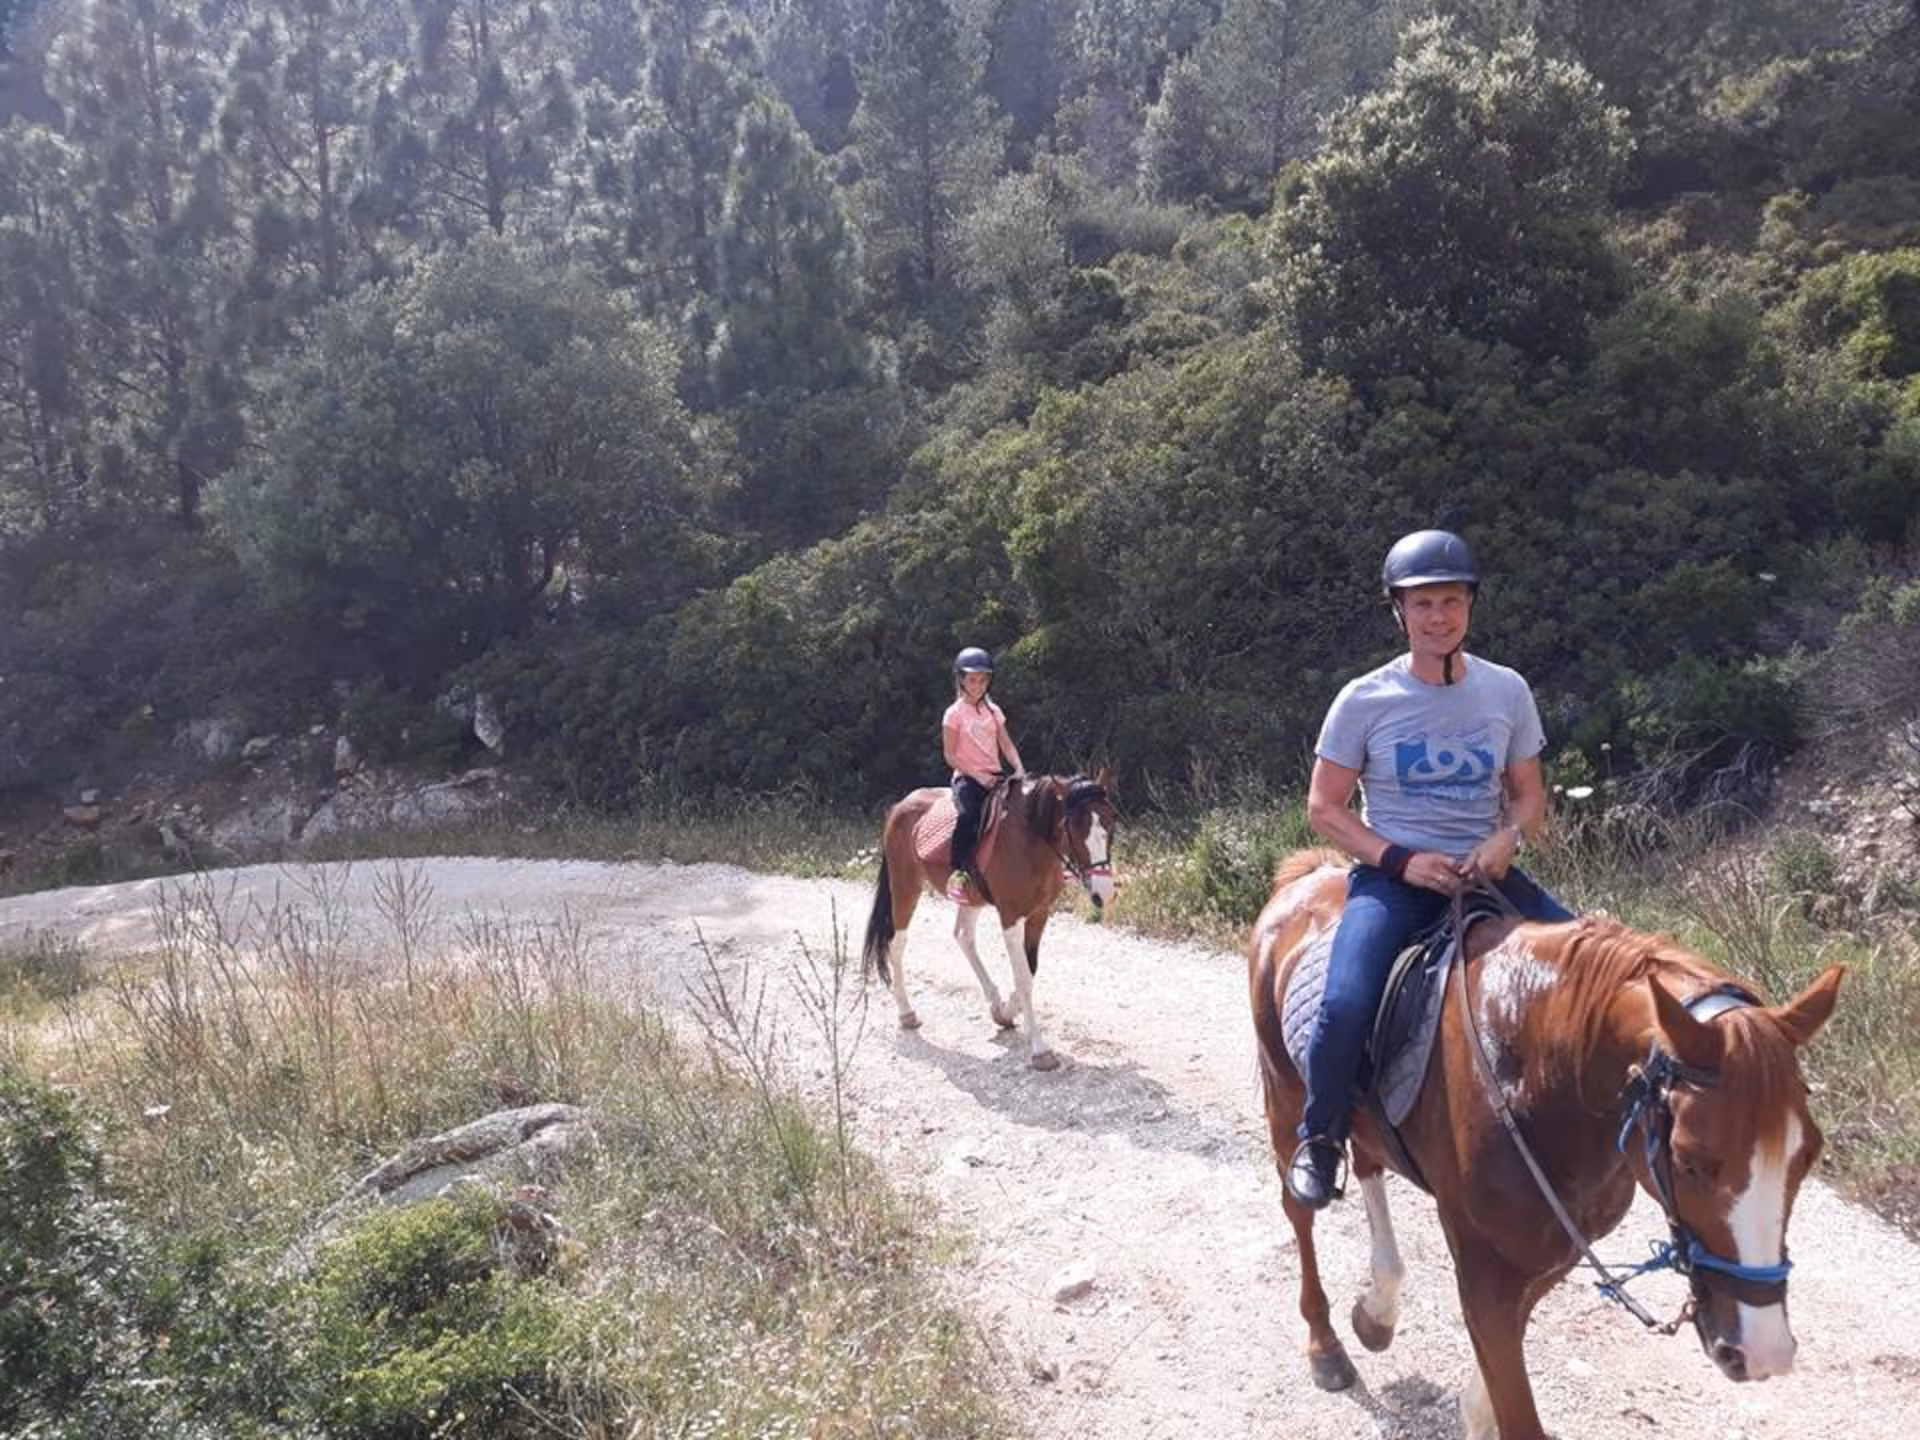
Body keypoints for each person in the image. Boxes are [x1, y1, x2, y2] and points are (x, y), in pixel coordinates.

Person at [1287, 529, 1575, 1211]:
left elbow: (1531, 794)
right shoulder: (1364, 699)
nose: (1438, 617)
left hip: (1489, 874)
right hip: (1395, 879)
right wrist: (1401, 861)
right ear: (1399, 612)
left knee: (1595, 971)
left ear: (1470, 606)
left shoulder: (1506, 691)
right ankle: (1320, 1137)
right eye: (1422, 605)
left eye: (1450, 601)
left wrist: (1509, 837)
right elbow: (1324, 809)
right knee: (1346, 1002)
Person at [943, 646, 1025, 903]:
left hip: (996, 776)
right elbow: (950, 755)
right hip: (968, 778)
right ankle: (958, 873)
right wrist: (977, 777)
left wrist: (1019, 768)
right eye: (973, 680)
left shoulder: (993, 711)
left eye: (983, 680)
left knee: (1030, 808)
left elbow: (1006, 744)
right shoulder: (953, 714)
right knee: (968, 816)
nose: (978, 685)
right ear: (961, 680)